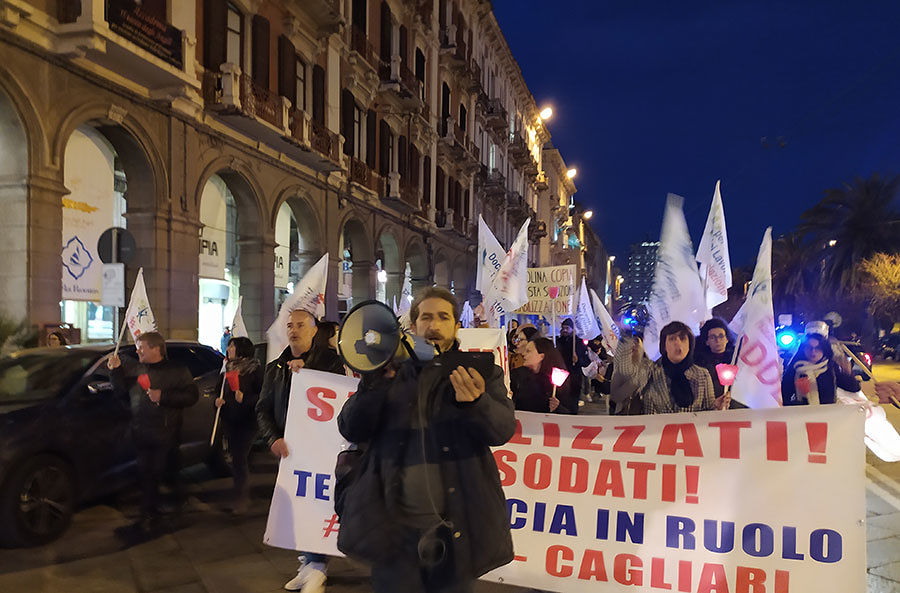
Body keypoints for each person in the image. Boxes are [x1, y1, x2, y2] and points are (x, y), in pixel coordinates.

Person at [336, 286, 516, 593]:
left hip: (456, 531)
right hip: (393, 532)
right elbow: (351, 428)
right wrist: (374, 384)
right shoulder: (389, 372)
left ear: (457, 325)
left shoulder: (481, 372)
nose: (433, 326)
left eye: (443, 317)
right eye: (426, 317)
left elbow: (502, 430)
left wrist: (477, 404)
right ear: (413, 324)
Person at [256, 308, 344, 593]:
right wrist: (272, 438)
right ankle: (307, 563)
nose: (294, 330)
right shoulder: (275, 368)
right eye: (290, 325)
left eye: (301, 325)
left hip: (320, 448)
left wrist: (308, 375)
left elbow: (337, 395)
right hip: (289, 451)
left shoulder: (332, 363)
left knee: (317, 503)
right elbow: (263, 408)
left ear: (314, 330)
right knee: (296, 507)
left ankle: (318, 566)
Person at [107, 331, 199, 534]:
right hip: (141, 432)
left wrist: (163, 396)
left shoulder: (177, 370)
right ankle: (154, 512)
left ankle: (153, 514)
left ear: (156, 349)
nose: (137, 350)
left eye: (142, 347)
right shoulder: (137, 370)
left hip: (165, 433)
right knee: (147, 475)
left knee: (157, 475)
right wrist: (114, 373)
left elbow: (192, 396)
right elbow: (121, 394)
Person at [613, 321, 727, 414]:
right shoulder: (650, 370)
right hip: (654, 437)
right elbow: (625, 375)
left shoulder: (702, 375)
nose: (677, 343)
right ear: (664, 345)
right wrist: (626, 337)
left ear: (689, 345)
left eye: (682, 338)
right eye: (672, 339)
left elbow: (707, 414)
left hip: (689, 439)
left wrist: (716, 406)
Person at [214, 336, 263, 514]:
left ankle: (241, 500)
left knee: (239, 459)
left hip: (248, 422)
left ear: (241, 349)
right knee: (237, 460)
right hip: (230, 420)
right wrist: (217, 401)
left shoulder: (255, 370)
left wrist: (246, 399)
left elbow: (262, 396)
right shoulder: (227, 368)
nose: (229, 349)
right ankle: (240, 494)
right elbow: (218, 390)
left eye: (232, 346)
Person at [782, 333, 860, 405]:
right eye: (809, 347)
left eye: (818, 348)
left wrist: (848, 373)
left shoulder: (831, 368)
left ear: (824, 350)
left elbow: (854, 388)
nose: (813, 352)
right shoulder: (795, 369)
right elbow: (784, 396)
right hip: (803, 416)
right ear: (803, 349)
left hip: (827, 415)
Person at [511, 337, 575, 413]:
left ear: (541, 356)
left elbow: (570, 412)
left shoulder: (557, 380)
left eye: (528, 351)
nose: (523, 354)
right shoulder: (518, 375)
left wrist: (557, 408)